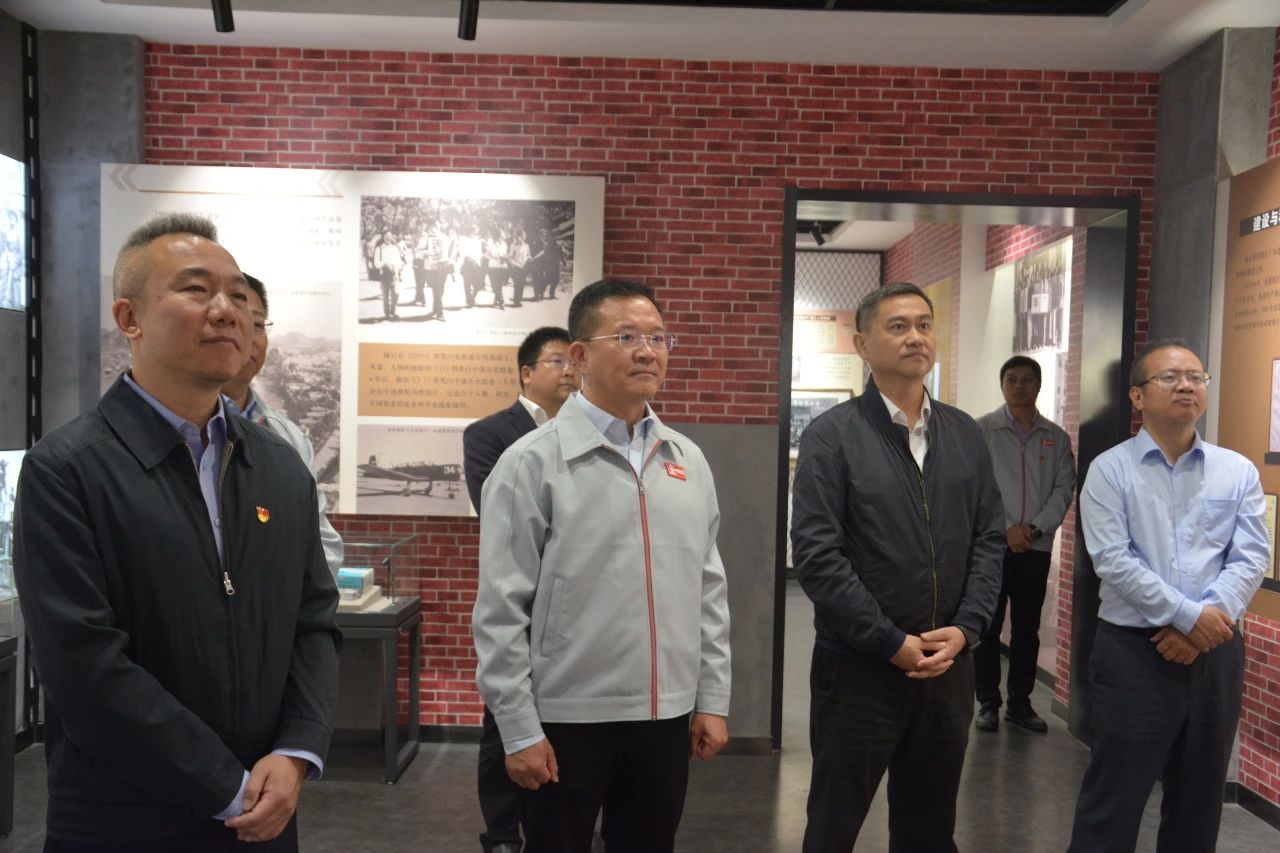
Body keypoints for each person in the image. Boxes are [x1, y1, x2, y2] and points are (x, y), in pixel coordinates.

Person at [13, 213, 341, 851]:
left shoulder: (279, 467)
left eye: (239, 297)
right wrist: (225, 785)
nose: (226, 311)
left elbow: (313, 620)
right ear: (129, 318)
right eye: (196, 289)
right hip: (124, 818)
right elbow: (84, 665)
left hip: (265, 815)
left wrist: (297, 751)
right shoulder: (68, 470)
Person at [472, 279, 731, 853]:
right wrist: (517, 727)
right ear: (581, 356)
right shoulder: (529, 462)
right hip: (567, 719)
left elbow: (707, 590)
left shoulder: (687, 459)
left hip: (665, 715)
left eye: (659, 338)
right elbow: (500, 608)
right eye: (628, 337)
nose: (648, 351)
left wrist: (712, 698)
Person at [791, 281, 1005, 852]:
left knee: (929, 831)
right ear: (862, 343)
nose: (916, 337)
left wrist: (968, 629)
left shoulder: (964, 433)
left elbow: (989, 538)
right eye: (898, 326)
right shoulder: (832, 436)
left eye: (924, 325)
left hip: (947, 667)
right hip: (859, 670)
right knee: (834, 826)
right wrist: (889, 641)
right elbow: (817, 554)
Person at [1066, 339, 1268, 853]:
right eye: (1170, 378)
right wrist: (1188, 618)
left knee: (1199, 802)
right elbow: (1113, 559)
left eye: (1196, 377)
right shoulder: (1110, 469)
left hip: (1216, 655)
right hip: (1134, 654)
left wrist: (1203, 626)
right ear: (1137, 395)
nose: (1186, 386)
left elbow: (1250, 558)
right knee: (1113, 802)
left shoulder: (1237, 470)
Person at [463, 326, 579, 853]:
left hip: (574, 607)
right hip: (520, 599)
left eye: (573, 362)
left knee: (569, 728)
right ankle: (503, 831)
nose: (569, 372)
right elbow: (495, 511)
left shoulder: (586, 433)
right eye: (557, 362)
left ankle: (561, 823)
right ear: (527, 373)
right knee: (503, 723)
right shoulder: (489, 434)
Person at [973, 355, 1076, 733]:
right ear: (1002, 385)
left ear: (1039, 385)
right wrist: (1005, 529)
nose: (1019, 386)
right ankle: (987, 702)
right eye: (1012, 379)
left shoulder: (1056, 437)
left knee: (1027, 630)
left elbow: (1064, 489)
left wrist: (1032, 529)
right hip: (990, 546)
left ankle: (1020, 703)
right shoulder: (981, 431)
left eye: (1027, 379)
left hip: (1035, 547)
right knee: (986, 626)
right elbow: (974, 487)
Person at [221, 273, 344, 578]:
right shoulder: (179, 430)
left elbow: (323, 546)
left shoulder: (289, 437)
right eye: (233, 321)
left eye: (257, 324)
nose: (247, 337)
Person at [373, 229, 403, 320]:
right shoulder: (379, 248)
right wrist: (384, 263)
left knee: (396, 293)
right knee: (385, 296)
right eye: (386, 236)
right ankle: (387, 314)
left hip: (394, 274)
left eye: (390, 236)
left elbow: (399, 262)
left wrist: (397, 268)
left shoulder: (395, 248)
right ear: (383, 237)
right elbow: (376, 263)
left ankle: (392, 311)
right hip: (384, 274)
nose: (388, 238)